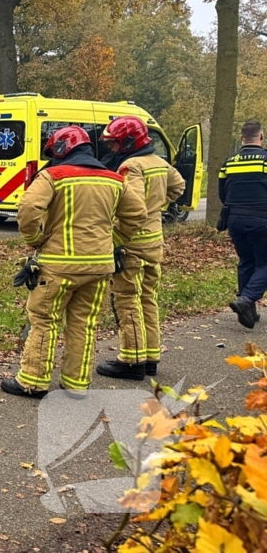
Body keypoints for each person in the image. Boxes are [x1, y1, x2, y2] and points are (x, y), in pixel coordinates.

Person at [2, 126, 146, 399]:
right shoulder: (115, 179)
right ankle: (76, 385)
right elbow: (137, 213)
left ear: (60, 150)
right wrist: (114, 238)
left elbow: (29, 209)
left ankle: (33, 381)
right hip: (101, 267)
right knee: (84, 324)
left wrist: (35, 239)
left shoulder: (53, 176)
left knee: (44, 320)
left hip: (58, 266)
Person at [95, 117, 185, 380]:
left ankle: (132, 361)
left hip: (132, 243)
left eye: (114, 143)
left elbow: (132, 206)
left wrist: (116, 238)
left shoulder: (131, 165)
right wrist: (158, 205)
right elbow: (178, 186)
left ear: (128, 141)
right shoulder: (159, 162)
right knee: (148, 299)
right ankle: (150, 358)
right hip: (154, 241)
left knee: (127, 300)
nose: (111, 149)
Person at [219, 120, 267, 328]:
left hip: (235, 220)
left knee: (246, 261)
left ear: (241, 138)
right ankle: (246, 299)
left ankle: (249, 312)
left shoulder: (229, 162)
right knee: (264, 263)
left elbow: (223, 193)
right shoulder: (265, 161)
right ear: (262, 137)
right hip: (261, 219)